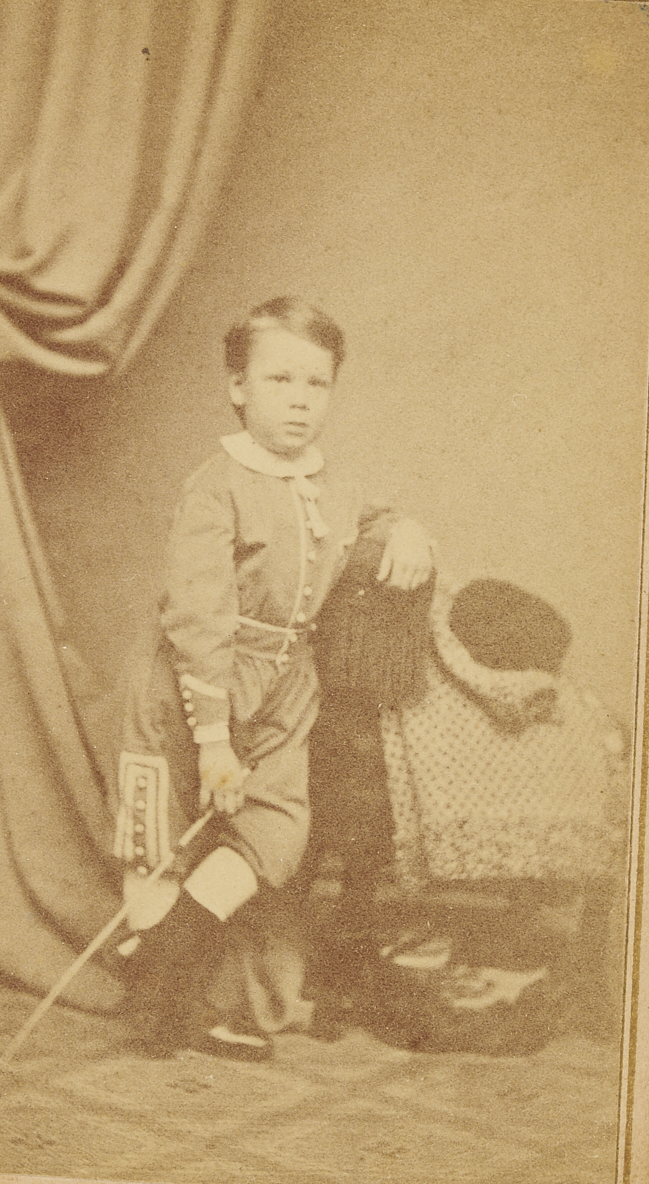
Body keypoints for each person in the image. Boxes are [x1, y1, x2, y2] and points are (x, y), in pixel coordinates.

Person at [115, 296, 434, 1059]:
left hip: (286, 685)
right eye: (279, 380)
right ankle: (172, 999)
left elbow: (366, 518)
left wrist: (406, 527)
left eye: (316, 383)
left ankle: (161, 965)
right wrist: (213, 739)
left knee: (276, 831)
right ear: (238, 387)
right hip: (194, 679)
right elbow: (197, 617)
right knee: (161, 838)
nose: (299, 400)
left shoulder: (332, 484)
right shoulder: (215, 486)